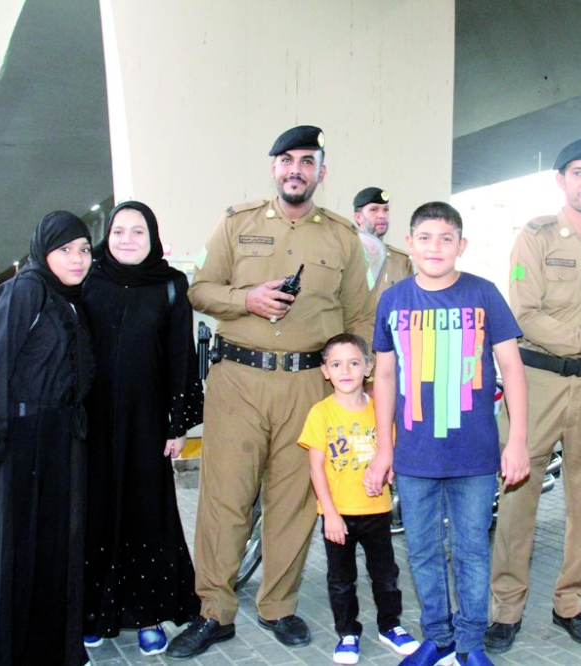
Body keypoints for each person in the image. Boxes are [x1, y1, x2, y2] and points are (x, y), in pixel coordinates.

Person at [169, 125, 374, 659]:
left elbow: (360, 319)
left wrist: (358, 390)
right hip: (238, 379)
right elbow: (199, 288)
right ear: (273, 168)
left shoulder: (342, 238)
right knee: (224, 498)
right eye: (286, 160)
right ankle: (214, 610)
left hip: (310, 383)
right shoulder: (236, 223)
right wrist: (247, 298)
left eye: (307, 161)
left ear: (321, 173)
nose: (295, 169)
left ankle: (278, 605)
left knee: (294, 500)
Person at [486, 137, 581, 653]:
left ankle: (571, 602)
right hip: (539, 383)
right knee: (517, 500)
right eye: (578, 172)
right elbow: (525, 315)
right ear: (561, 181)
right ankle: (506, 609)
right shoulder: (535, 237)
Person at [365, 201, 530, 666]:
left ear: (462, 245)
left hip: (474, 455)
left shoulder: (484, 294)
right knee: (421, 551)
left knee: (473, 551)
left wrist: (515, 441)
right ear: (411, 244)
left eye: (445, 238)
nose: (434, 247)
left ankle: (471, 643)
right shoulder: (394, 300)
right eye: (424, 238)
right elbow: (384, 377)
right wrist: (384, 448)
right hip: (415, 455)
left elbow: (513, 370)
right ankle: (437, 638)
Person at [0, 211, 95, 665]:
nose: (78, 259)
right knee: (11, 556)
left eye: (85, 250)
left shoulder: (68, 298)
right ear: (43, 251)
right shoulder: (25, 291)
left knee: (52, 553)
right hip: (20, 446)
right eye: (66, 250)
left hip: (57, 443)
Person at [81, 201, 203, 654]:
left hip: (147, 423)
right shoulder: (88, 281)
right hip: (91, 423)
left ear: (152, 237)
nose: (127, 239)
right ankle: (94, 611)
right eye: (118, 231)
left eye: (137, 231)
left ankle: (147, 614)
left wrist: (177, 425)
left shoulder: (171, 285)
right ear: (106, 237)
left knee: (146, 515)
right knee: (96, 515)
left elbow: (180, 357)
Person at [298, 333, 418, 664]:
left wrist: (390, 468)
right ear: (325, 371)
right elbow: (316, 469)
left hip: (377, 510)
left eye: (353, 363)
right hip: (339, 516)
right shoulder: (321, 414)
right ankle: (348, 632)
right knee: (341, 580)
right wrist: (330, 514)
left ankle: (390, 625)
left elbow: (392, 451)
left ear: (368, 367)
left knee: (386, 575)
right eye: (336, 364)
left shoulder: (381, 410)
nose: (346, 370)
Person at [353, 186, 413, 299]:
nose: (382, 215)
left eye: (385, 210)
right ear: (358, 217)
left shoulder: (400, 261)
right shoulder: (344, 255)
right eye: (374, 210)